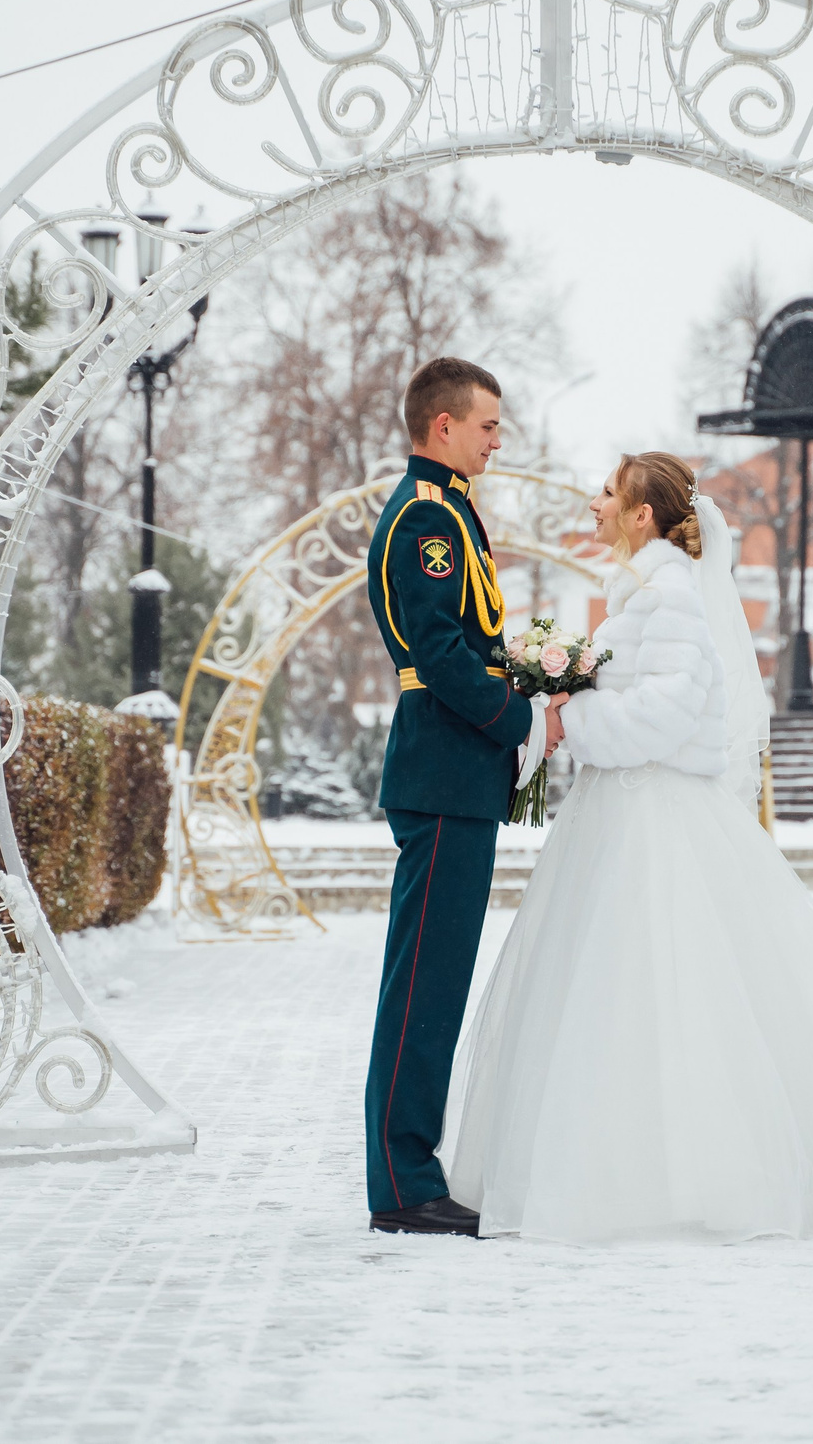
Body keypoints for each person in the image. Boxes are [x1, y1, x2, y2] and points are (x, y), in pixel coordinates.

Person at [444, 451, 813, 1242]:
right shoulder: (643, 597)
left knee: (678, 994)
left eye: (607, 492)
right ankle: (624, 1167)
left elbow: (662, 715)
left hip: (656, 817)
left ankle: (700, 1176)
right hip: (616, 814)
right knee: (613, 999)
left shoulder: (674, 599)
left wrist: (568, 722)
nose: (594, 504)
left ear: (643, 515)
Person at [359, 357, 561, 1237]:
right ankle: (404, 1184)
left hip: (452, 775)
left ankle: (410, 1172)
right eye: (486, 424)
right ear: (442, 426)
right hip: (445, 770)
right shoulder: (428, 519)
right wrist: (516, 716)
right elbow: (441, 653)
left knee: (432, 986)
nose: (497, 438)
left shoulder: (446, 510)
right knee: (423, 991)